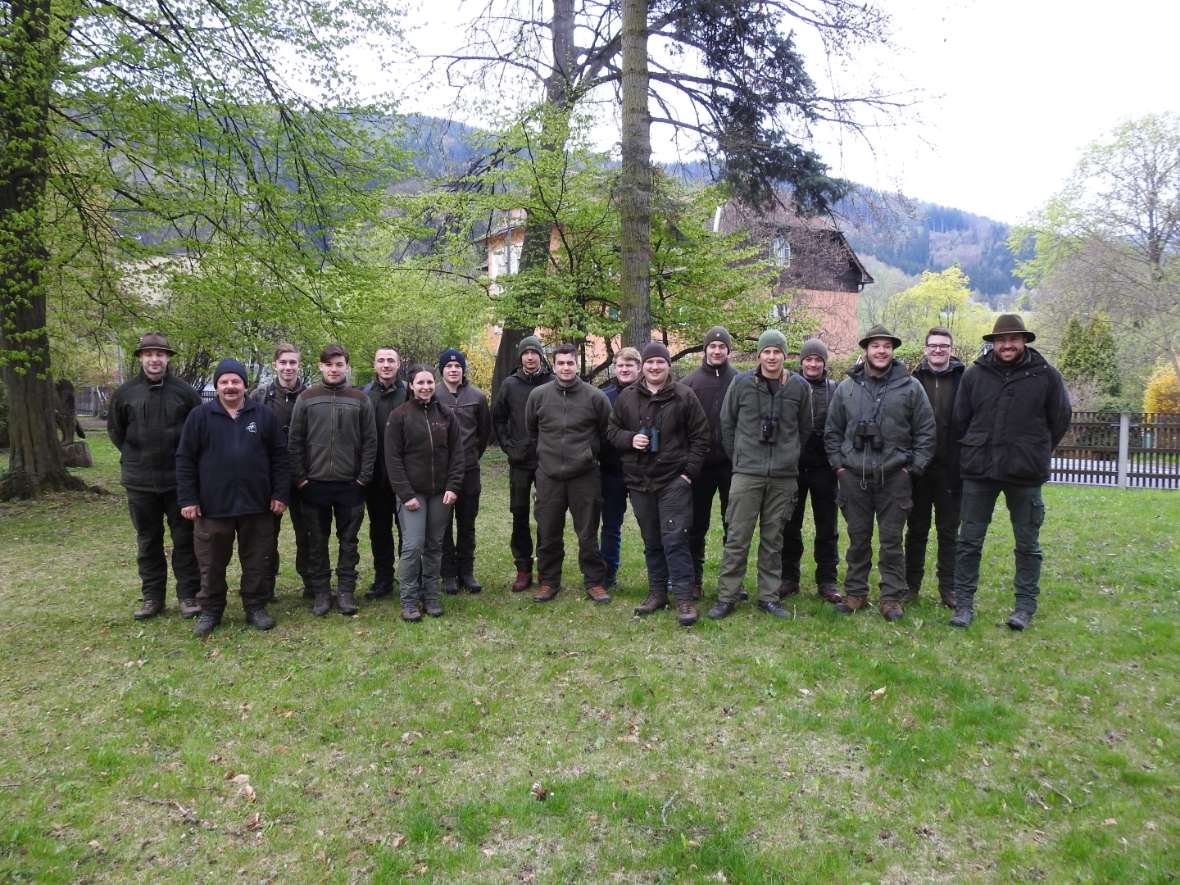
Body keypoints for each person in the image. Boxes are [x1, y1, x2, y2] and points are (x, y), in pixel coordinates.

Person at [949, 315, 1071, 630]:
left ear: (1024, 341)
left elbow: (1059, 420)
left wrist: (1035, 448)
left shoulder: (1046, 375)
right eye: (1001, 340)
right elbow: (961, 418)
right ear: (993, 343)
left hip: (1025, 472)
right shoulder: (975, 374)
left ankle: (1024, 607)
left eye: (1013, 339)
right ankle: (963, 605)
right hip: (979, 470)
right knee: (969, 541)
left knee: (1027, 544)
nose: (1007, 345)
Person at [824, 325, 935, 622]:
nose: (881, 351)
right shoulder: (846, 388)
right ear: (866, 350)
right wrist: (839, 466)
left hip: (894, 477)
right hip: (854, 477)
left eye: (887, 346)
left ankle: (891, 597)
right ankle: (856, 592)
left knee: (891, 541)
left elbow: (926, 431)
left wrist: (913, 470)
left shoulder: (910, 387)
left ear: (893, 350)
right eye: (876, 346)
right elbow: (832, 431)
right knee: (858, 538)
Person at [176, 358, 289, 636]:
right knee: (211, 563)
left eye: (235, 381)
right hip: (213, 506)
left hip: (257, 504)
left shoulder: (262, 416)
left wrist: (280, 493)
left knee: (258, 559)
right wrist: (188, 498)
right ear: (216, 386)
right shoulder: (200, 417)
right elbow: (185, 460)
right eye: (224, 382)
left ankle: (255, 606)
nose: (230, 387)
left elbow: (280, 458)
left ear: (244, 385)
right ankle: (212, 609)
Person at [707, 330, 811, 620]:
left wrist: (789, 456)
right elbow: (727, 425)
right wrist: (740, 456)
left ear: (785, 355)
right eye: (767, 351)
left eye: (777, 351)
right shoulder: (741, 384)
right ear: (759, 355)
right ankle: (727, 596)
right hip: (746, 474)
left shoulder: (799, 387)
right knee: (737, 537)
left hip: (782, 476)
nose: (772, 357)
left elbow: (804, 428)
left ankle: (768, 596)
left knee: (773, 538)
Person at [608, 342, 711, 625]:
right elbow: (611, 430)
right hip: (639, 482)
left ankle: (684, 598)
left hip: (673, 481)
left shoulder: (684, 396)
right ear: (643, 367)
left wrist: (688, 474)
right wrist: (630, 439)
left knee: (676, 538)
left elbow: (701, 437)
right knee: (651, 539)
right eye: (651, 363)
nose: (655, 367)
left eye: (660, 363)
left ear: (668, 366)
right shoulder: (627, 397)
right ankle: (657, 593)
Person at [107, 331, 202, 620]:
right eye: (148, 354)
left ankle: (188, 595)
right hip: (139, 482)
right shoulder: (125, 394)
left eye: (159, 354)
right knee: (148, 540)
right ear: (140, 358)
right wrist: (137, 455)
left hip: (178, 482)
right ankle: (152, 597)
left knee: (185, 540)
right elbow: (116, 431)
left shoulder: (185, 393)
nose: (154, 359)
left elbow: (198, 431)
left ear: (168, 358)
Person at [287, 344, 377, 617]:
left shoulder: (360, 399)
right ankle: (322, 592)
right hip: (314, 484)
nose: (334, 369)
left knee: (349, 541)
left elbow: (370, 441)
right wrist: (301, 479)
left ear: (346, 367)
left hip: (351, 485)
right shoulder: (307, 398)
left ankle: (347, 591)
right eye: (329, 364)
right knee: (317, 540)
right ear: (321, 367)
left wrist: (363, 478)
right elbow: (295, 441)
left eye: (339, 364)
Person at [526, 343, 613, 603]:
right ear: (554, 365)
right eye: (561, 363)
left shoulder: (595, 397)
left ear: (577, 365)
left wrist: (589, 454)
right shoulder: (538, 396)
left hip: (584, 476)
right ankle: (549, 582)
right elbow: (532, 431)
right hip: (549, 475)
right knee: (548, 531)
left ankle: (594, 582)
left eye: (570, 363)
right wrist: (546, 456)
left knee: (587, 533)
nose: (565, 367)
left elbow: (606, 432)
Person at [384, 365, 464, 621]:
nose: (426, 387)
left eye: (430, 382)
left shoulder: (446, 414)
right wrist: (405, 494)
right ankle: (408, 599)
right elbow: (393, 459)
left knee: (434, 546)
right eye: (420, 382)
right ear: (411, 385)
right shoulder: (399, 416)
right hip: (413, 493)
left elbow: (457, 454)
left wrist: (453, 486)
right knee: (413, 546)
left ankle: (430, 596)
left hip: (441, 494)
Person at [903, 326, 965, 608]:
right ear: (925, 348)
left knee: (949, 531)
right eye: (933, 345)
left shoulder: (965, 380)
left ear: (951, 349)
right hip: (919, 470)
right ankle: (910, 585)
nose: (938, 350)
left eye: (944, 346)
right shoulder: (911, 380)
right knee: (916, 530)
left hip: (952, 470)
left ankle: (948, 588)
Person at [779, 338, 843, 605]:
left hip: (825, 468)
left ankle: (827, 579)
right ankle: (788, 578)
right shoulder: (788, 387)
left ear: (824, 363)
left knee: (827, 525)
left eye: (818, 359)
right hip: (793, 466)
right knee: (789, 524)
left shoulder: (836, 389)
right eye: (809, 359)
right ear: (801, 362)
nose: (813, 364)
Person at [491, 335, 553, 591]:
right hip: (519, 461)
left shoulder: (553, 382)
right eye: (525, 353)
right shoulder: (510, 384)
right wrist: (508, 446)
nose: (530, 357)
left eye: (534, 353)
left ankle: (546, 570)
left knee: (546, 516)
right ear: (520, 357)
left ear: (541, 356)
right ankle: (523, 568)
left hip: (547, 461)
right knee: (519, 513)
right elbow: (499, 418)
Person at [683, 326, 739, 599]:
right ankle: (694, 580)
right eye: (712, 346)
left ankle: (733, 582)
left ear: (728, 350)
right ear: (705, 349)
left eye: (722, 346)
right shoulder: (689, 384)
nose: (717, 351)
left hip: (732, 465)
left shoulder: (741, 381)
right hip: (700, 467)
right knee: (696, 525)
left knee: (734, 525)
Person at [250, 342, 308, 601]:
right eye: (283, 362)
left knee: (307, 532)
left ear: (299, 365)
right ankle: (265, 585)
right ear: (275, 364)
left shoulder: (310, 395)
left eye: (292, 362)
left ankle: (312, 582)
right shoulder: (259, 396)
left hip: (303, 474)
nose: (288, 368)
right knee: (265, 535)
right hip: (269, 476)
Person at [436, 348, 492, 594]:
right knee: (443, 524)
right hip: (439, 472)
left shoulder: (477, 397)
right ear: (442, 370)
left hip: (469, 470)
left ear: (463, 369)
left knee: (467, 523)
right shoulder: (432, 394)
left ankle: (466, 571)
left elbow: (484, 433)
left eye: (457, 366)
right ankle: (447, 573)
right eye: (448, 367)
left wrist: (469, 457)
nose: (453, 370)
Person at [361, 346, 407, 600]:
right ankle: (383, 579)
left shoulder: (409, 392)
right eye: (381, 360)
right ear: (374, 364)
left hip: (404, 477)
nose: (386, 365)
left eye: (391, 360)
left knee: (407, 532)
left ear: (398, 364)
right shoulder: (364, 395)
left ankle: (410, 578)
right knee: (379, 530)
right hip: (375, 476)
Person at [598, 347, 641, 588]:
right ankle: (607, 573)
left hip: (640, 470)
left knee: (650, 524)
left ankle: (660, 576)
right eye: (620, 365)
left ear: (638, 367)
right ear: (615, 367)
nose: (624, 370)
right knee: (611, 525)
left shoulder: (648, 394)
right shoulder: (604, 396)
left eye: (629, 365)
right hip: (611, 471)